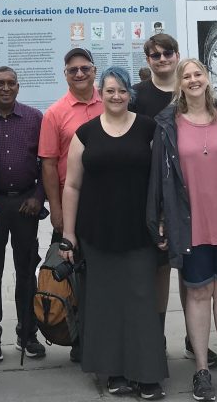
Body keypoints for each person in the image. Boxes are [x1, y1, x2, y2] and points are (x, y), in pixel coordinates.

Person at [62, 67, 167, 399]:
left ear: (129, 94)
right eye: (110, 91)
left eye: (122, 90)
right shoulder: (86, 133)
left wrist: (163, 219)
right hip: (97, 229)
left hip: (139, 229)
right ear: (100, 93)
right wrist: (69, 233)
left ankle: (147, 373)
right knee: (104, 302)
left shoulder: (149, 128)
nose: (116, 96)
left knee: (141, 300)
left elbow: (163, 181)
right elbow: (72, 185)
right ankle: (114, 372)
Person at [149, 59, 217, 402]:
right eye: (186, 76)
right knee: (197, 293)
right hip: (190, 222)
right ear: (179, 84)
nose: (193, 80)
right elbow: (159, 178)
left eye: (197, 74)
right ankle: (202, 369)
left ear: (208, 79)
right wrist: (160, 215)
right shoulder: (168, 124)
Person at [131, 33, 217, 369]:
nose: (162, 58)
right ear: (148, 59)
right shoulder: (138, 96)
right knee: (160, 268)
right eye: (154, 55)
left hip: (193, 191)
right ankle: (156, 339)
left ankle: (192, 338)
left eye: (167, 53)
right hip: (156, 191)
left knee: (191, 272)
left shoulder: (192, 91)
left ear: (177, 55)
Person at [39, 48, 103, 362]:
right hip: (72, 205)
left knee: (104, 274)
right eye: (73, 70)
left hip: (109, 205)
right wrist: (57, 210)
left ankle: (106, 334)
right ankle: (80, 340)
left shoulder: (111, 101)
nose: (79, 74)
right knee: (74, 277)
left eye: (85, 69)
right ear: (65, 74)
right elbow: (49, 165)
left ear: (94, 71)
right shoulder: (55, 113)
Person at [0, 66, 47, 363]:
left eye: (11, 84)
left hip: (25, 204)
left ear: (18, 88)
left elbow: (47, 162)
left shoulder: (34, 118)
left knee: (26, 271)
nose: (5, 88)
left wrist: (38, 196)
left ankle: (27, 333)